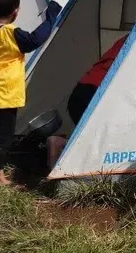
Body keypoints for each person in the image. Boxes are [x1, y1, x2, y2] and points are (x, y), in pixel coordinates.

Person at [0, 0, 61, 185]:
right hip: (5, 96)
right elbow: (35, 39)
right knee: (3, 139)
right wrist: (51, 17)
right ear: (16, 12)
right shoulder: (11, 34)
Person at [46, 33, 129, 169]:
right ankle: (62, 146)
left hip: (83, 90)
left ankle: (60, 151)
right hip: (98, 93)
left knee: (97, 138)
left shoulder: (134, 34)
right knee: (107, 139)